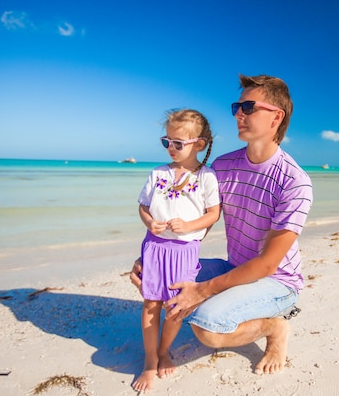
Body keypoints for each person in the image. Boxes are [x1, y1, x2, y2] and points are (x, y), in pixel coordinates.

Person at [132, 74, 312, 376]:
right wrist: (154, 256)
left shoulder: (294, 182)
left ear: (276, 117)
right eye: (237, 107)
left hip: (277, 282)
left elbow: (268, 264)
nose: (238, 114)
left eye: (248, 107)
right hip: (235, 266)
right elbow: (198, 217)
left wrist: (201, 291)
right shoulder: (224, 167)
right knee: (167, 280)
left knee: (208, 329)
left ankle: (275, 328)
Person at [131, 109, 220, 392]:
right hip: (155, 247)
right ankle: (149, 360)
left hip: (185, 250)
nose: (171, 148)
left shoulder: (206, 177)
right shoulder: (157, 173)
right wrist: (150, 222)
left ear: (199, 144)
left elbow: (214, 214)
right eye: (166, 141)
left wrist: (189, 225)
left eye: (178, 143)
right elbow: (143, 206)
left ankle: (164, 350)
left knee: (174, 307)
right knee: (150, 304)